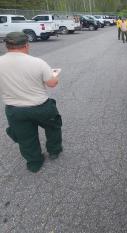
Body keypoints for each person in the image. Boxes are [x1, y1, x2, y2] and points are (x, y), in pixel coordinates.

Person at [0, 32, 63, 173]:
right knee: (53, 127)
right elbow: (52, 83)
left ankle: (34, 163)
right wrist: (55, 76)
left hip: (14, 110)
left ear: (6, 46)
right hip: (41, 106)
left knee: (26, 138)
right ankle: (54, 151)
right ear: (26, 45)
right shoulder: (37, 62)